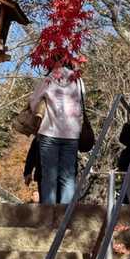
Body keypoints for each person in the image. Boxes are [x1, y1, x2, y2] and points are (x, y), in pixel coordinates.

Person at [28, 56, 85, 205]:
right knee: (68, 177)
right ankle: (66, 213)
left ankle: (48, 213)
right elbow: (82, 100)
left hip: (50, 131)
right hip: (72, 133)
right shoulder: (77, 80)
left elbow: (34, 101)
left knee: (49, 176)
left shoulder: (49, 78)